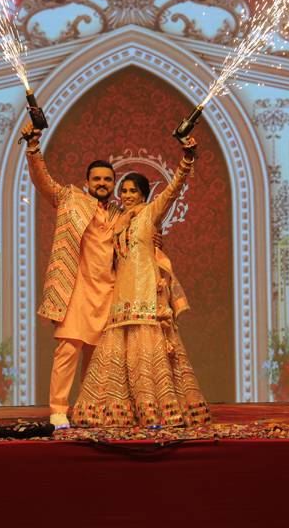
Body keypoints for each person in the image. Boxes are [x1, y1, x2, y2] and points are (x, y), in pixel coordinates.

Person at [72, 143, 211, 427]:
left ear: (144, 194)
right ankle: (117, 411)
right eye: (123, 191)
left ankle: (156, 410)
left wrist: (185, 161)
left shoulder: (150, 214)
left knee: (147, 351)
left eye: (133, 191)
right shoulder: (118, 221)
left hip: (145, 293)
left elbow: (172, 190)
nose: (126, 195)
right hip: (121, 295)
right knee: (118, 353)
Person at [22, 120, 123, 429]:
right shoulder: (71, 199)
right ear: (87, 181)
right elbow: (43, 180)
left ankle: (89, 408)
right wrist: (33, 148)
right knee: (68, 350)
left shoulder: (121, 214)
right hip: (77, 288)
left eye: (107, 179)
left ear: (113, 183)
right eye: (97, 178)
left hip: (110, 290)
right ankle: (58, 409)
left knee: (98, 359)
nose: (102, 183)